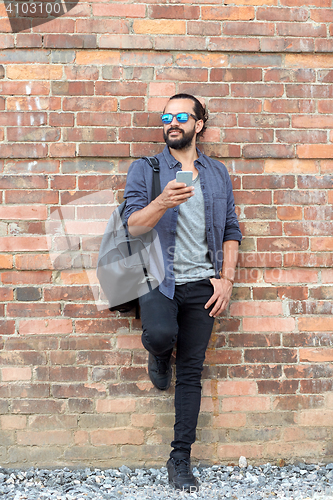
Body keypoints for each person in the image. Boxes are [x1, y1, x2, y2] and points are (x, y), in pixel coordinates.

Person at [123, 94, 242, 492]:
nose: (172, 123)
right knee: (160, 334)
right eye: (166, 117)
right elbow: (133, 227)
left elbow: (230, 231)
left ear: (199, 124)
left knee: (191, 372)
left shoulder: (216, 173)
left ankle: (180, 458)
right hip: (159, 277)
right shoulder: (147, 168)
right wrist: (162, 201)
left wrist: (225, 279)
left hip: (202, 283)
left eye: (181, 116)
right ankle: (158, 355)